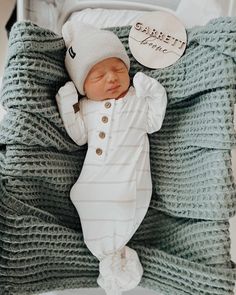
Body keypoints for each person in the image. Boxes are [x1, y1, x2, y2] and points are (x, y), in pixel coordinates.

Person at [56, 21, 167, 295]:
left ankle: (112, 251)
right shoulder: (86, 107)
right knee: (89, 201)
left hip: (128, 178)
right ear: (83, 87)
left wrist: (152, 90)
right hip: (94, 179)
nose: (111, 79)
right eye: (98, 76)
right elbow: (79, 135)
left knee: (122, 201)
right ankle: (108, 253)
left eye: (118, 70)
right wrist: (67, 105)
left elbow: (154, 121)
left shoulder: (137, 100)